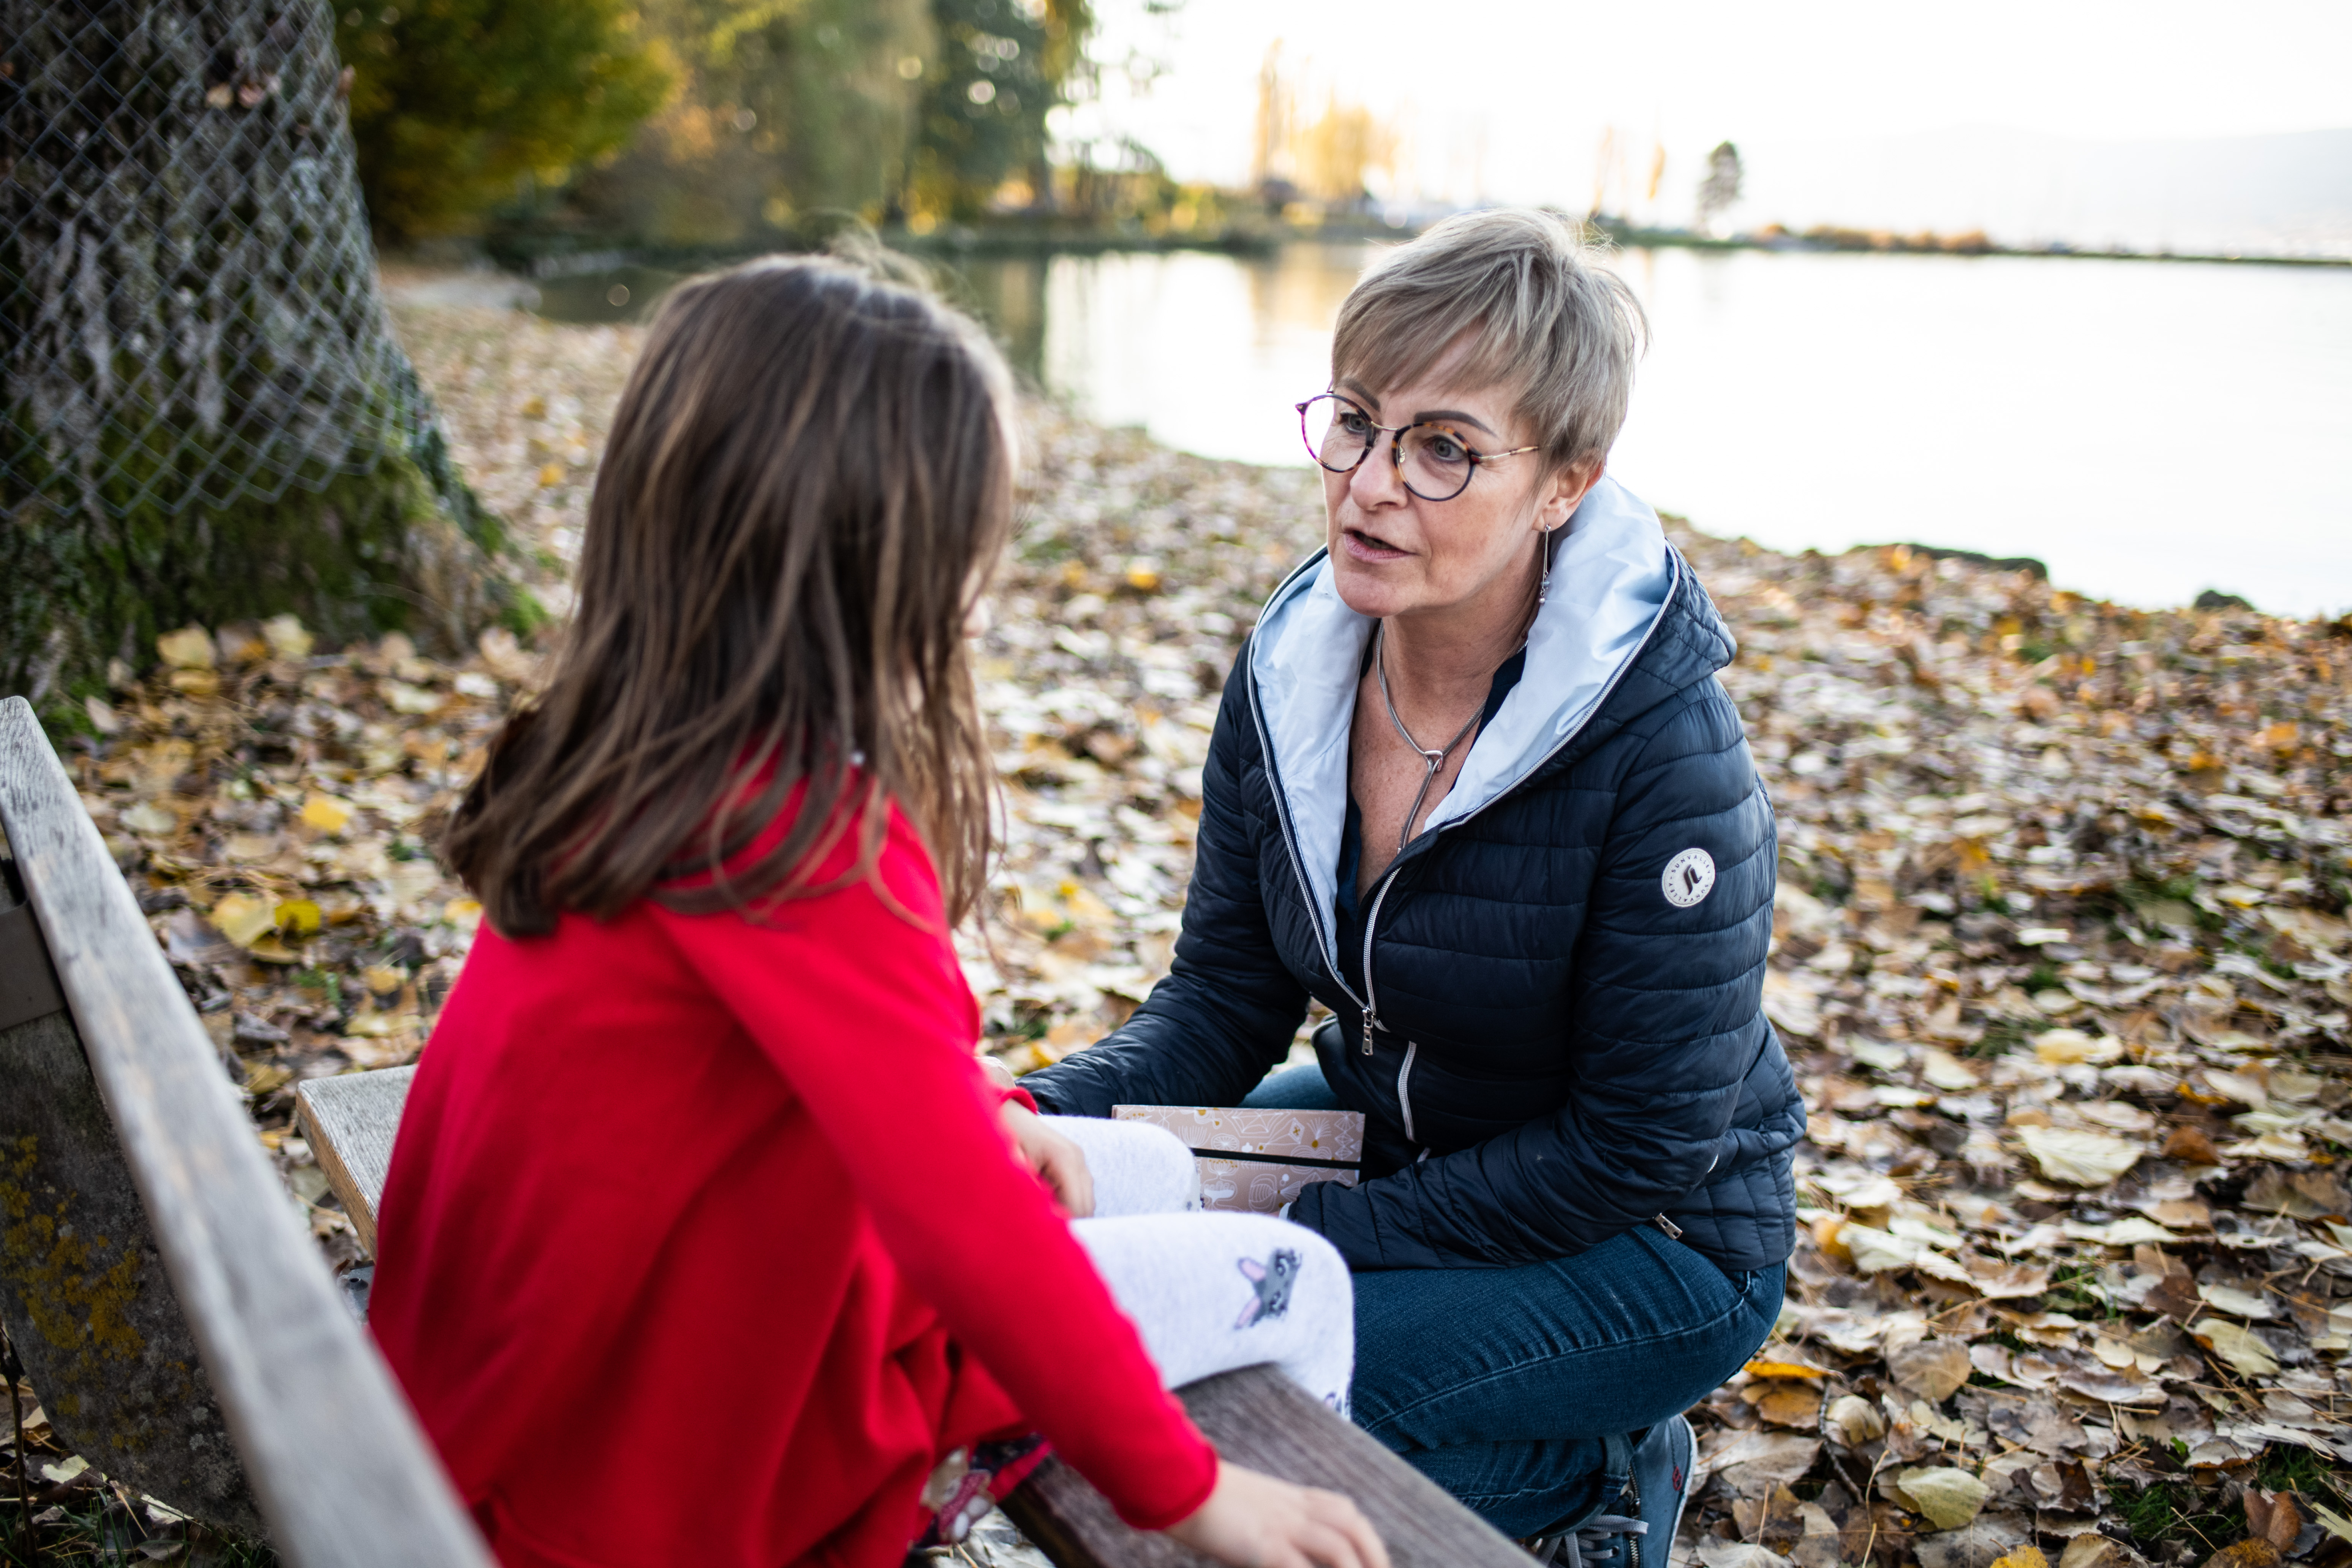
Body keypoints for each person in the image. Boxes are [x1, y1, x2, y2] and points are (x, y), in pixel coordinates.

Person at [365, 253, 1389, 1568]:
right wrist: (1193, 1495)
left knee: (1156, 1167)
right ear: (886, 568)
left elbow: (843, 1086)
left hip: (563, 1359)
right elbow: (966, 1233)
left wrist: (990, 1119)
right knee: (1304, 1287)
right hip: (647, 1443)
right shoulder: (799, 844)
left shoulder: (634, 754)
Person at [1015, 208, 1805, 1563]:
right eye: (1360, 424)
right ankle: (1546, 1451)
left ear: (1565, 481)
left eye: (1445, 450)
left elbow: (1638, 1151)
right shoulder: (1292, 678)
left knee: (1248, 1406)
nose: (1373, 485)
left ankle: (1597, 1487)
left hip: (1657, 1238)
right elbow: (1220, 1000)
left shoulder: (1665, 753)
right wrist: (1025, 1114)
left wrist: (1309, 1232)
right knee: (1056, 1281)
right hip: (1400, 1135)